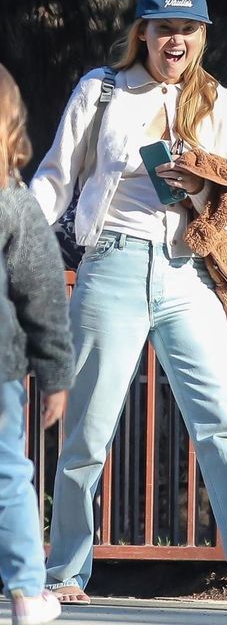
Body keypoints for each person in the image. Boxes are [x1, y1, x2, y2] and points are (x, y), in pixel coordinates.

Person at [30, 0, 227, 611]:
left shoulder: (221, 104)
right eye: (163, 28)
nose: (174, 39)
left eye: (187, 29)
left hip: (187, 273)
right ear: (143, 33)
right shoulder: (101, 91)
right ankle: (65, 572)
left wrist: (200, 189)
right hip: (112, 265)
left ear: (201, 37)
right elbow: (55, 177)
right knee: (86, 430)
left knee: (221, 425)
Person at [0, 64, 72, 625]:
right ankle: (27, 594)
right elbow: (43, 293)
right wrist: (55, 375)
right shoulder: (14, 201)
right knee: (7, 476)